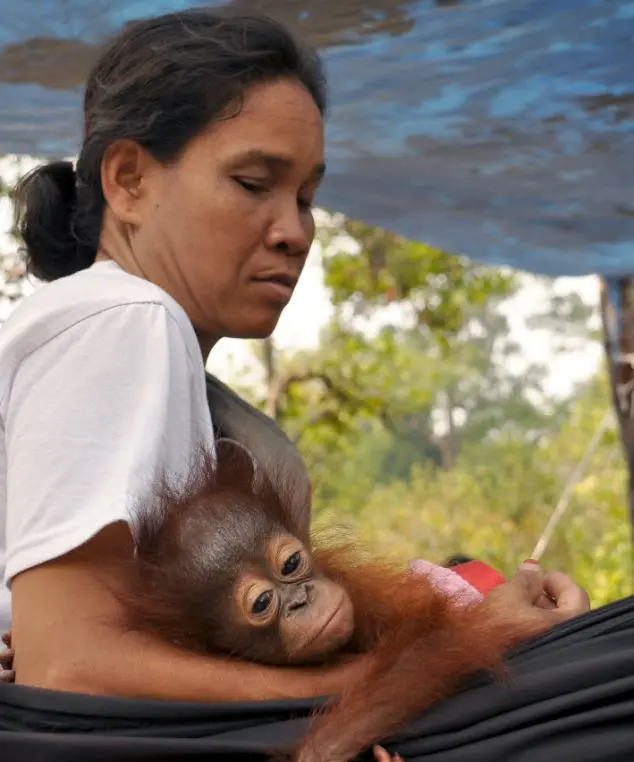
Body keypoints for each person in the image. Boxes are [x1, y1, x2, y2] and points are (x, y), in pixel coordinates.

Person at [0, 9, 589, 703]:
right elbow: (67, 671)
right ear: (128, 179)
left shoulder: (152, 359)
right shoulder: (124, 318)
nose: (295, 231)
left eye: (307, 197)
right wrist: (405, 673)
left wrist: (459, 616)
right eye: (254, 184)